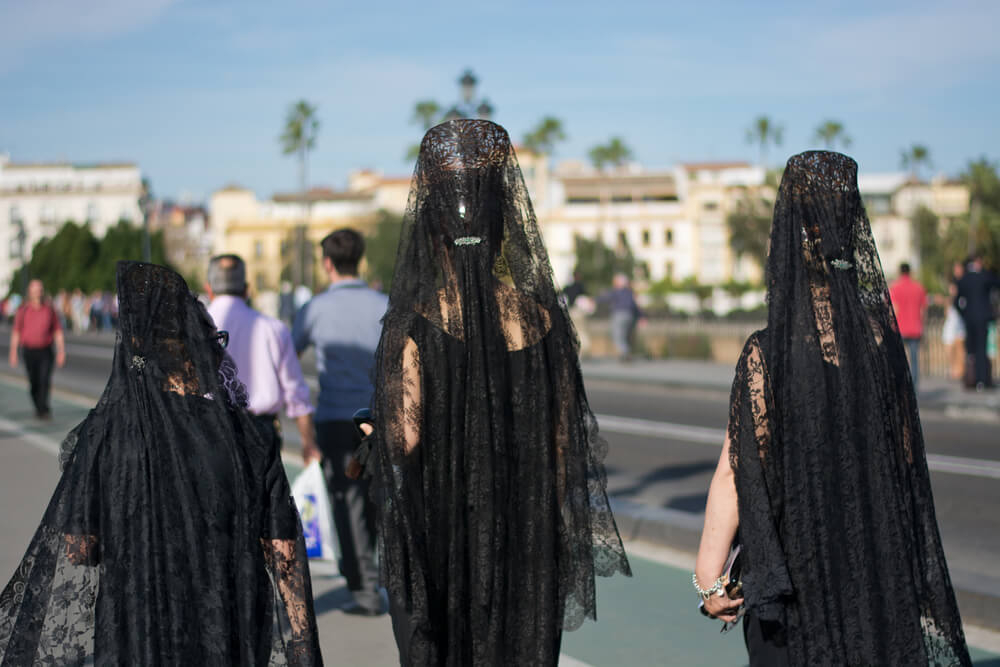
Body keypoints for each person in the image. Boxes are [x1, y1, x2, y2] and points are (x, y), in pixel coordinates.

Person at [367, 119, 631, 666]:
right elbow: (563, 440)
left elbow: (405, 438)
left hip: (444, 534)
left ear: (433, 235)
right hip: (525, 531)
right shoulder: (544, 320)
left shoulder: (413, 324)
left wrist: (373, 432)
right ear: (503, 229)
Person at [694, 152, 970, 665]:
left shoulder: (767, 353)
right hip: (877, 572)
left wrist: (709, 578)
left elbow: (737, 470)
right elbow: (906, 459)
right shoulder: (881, 342)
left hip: (796, 579)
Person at [0, 261, 322, 665]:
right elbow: (283, 550)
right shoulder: (249, 438)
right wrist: (302, 645)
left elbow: (79, 548)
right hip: (230, 627)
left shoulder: (107, 435)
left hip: (137, 632)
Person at [293, 228, 388, 616]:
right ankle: (368, 576)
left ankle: (363, 586)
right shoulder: (384, 303)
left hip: (335, 418)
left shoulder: (314, 309)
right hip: (376, 417)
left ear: (327, 263)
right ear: (360, 260)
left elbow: (290, 355)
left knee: (346, 500)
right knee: (373, 499)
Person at [205, 254, 319, 463]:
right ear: (246, 289)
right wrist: (308, 443)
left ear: (208, 289)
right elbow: (297, 394)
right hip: (262, 436)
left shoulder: (192, 331)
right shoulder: (274, 329)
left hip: (211, 433)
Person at [9, 279, 66, 419]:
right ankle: (38, 406)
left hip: (45, 350)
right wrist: (13, 352)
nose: (37, 293)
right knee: (34, 382)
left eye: (40, 290)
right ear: (30, 292)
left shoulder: (49, 309)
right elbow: (16, 332)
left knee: (44, 379)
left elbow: (57, 331)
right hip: (29, 351)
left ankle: (43, 408)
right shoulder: (23, 310)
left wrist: (61, 351)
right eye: (34, 290)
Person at [955, 253, 1000, 390]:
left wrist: (964, 314)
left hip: (969, 318)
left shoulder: (964, 279)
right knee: (982, 348)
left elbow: (956, 301)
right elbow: (996, 283)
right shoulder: (984, 276)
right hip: (983, 318)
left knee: (971, 350)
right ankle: (983, 379)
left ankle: (971, 378)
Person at [888, 261, 928, 391]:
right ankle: (914, 387)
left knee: (899, 358)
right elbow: (923, 310)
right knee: (914, 359)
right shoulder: (919, 287)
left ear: (900, 272)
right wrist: (922, 325)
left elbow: (894, 309)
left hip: (900, 328)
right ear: (910, 272)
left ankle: (901, 385)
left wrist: (891, 325)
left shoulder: (895, 288)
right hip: (915, 327)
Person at [599, 273, 644, 361]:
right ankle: (626, 353)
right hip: (630, 315)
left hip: (619, 315)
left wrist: (593, 300)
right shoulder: (630, 293)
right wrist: (641, 317)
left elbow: (605, 298)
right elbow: (635, 305)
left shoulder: (616, 291)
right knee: (625, 336)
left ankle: (625, 353)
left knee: (617, 335)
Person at [942, 261, 968, 380]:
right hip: (953, 315)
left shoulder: (965, 282)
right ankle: (954, 367)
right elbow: (950, 298)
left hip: (961, 315)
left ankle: (960, 369)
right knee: (948, 341)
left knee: (960, 343)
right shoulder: (954, 282)